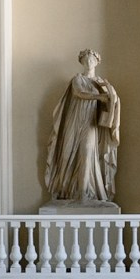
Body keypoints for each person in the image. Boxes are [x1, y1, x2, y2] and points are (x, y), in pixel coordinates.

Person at [43, 48, 122, 206]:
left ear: (97, 62)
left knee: (87, 152)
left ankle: (83, 194)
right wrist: (101, 96)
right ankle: (65, 191)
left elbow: (113, 102)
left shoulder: (103, 83)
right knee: (66, 155)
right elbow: (80, 93)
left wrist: (112, 98)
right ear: (81, 62)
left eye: (91, 59)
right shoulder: (77, 79)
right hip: (74, 122)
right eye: (85, 60)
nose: (89, 62)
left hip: (92, 124)